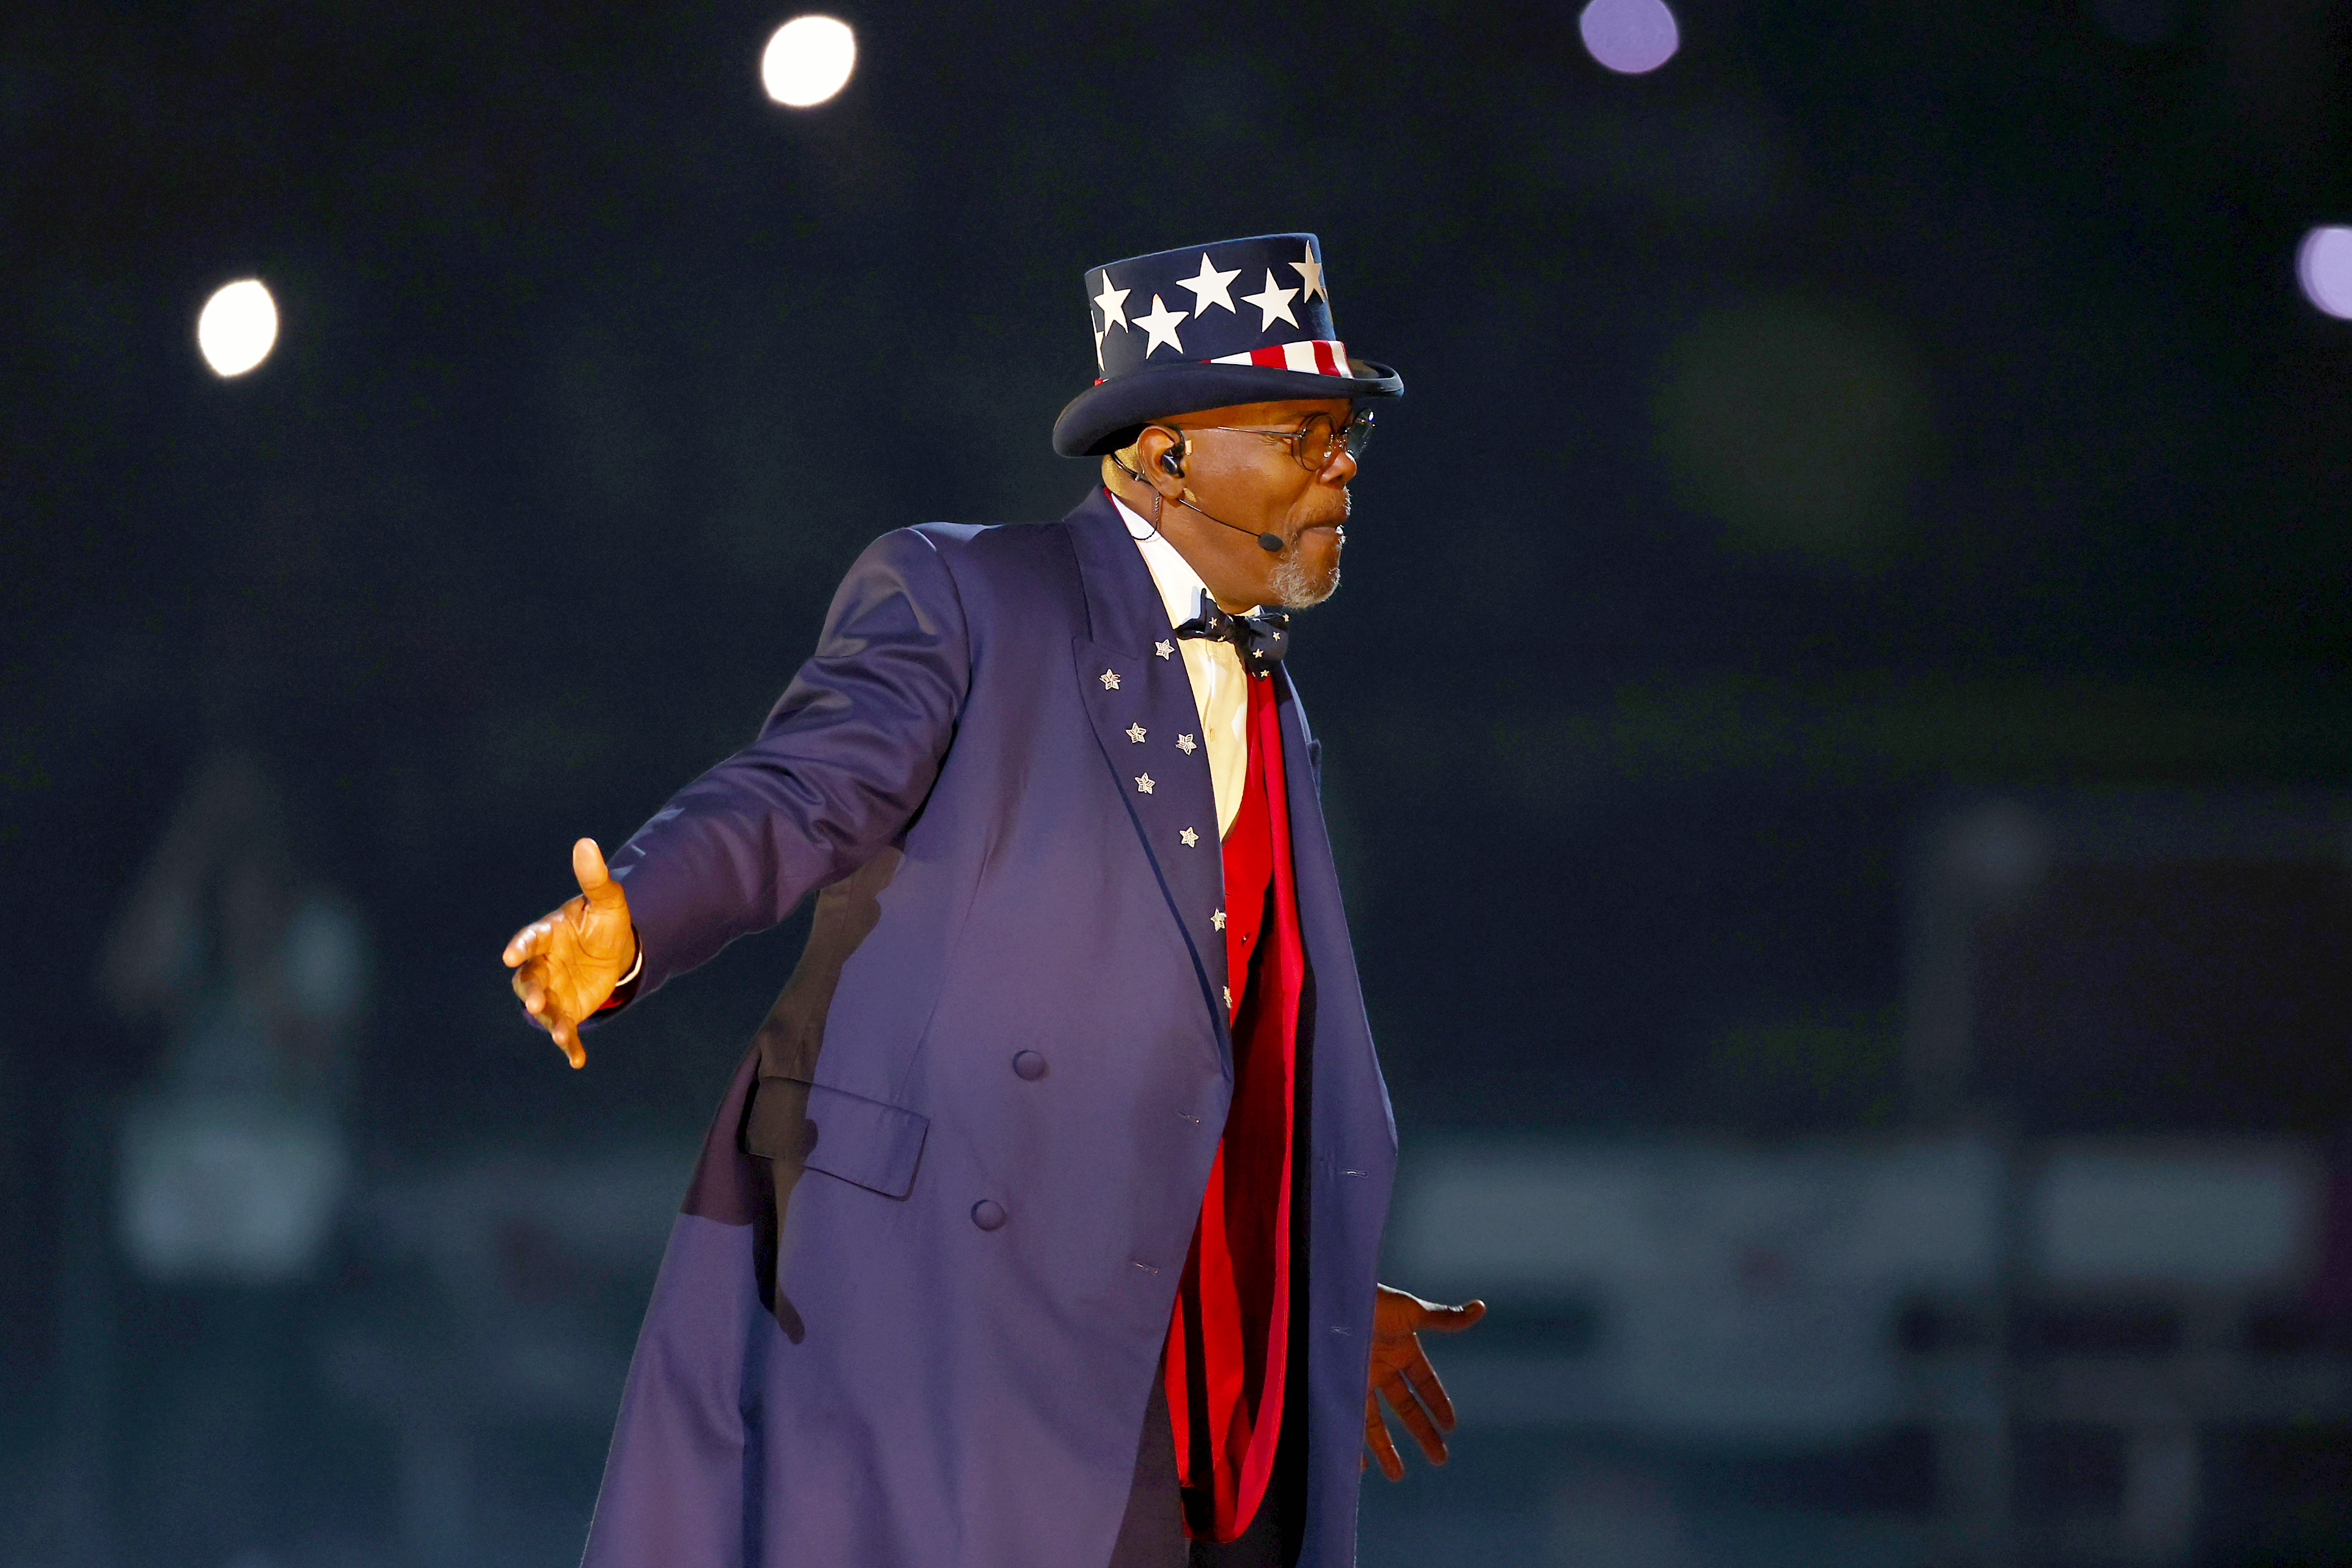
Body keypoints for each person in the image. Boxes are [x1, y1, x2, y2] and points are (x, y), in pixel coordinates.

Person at [502, 233, 1484, 1568]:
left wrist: (1281, 1286)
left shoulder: (1271, 694)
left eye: (1348, 434)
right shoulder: (969, 592)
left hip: (1185, 1343)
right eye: (1308, 435)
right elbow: (805, 788)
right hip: (957, 1316)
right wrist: (637, 915)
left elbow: (1227, 1028)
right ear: (1167, 452)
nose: (1346, 466)